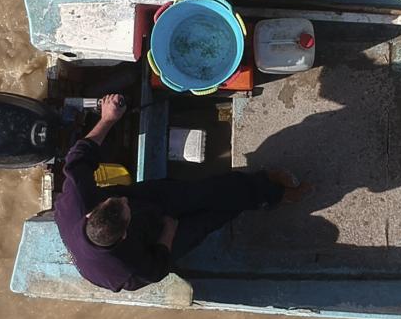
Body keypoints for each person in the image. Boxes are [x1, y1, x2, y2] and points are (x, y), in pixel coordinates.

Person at [55, 94, 307, 291]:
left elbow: (78, 158)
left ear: (90, 214)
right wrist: (169, 233)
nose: (122, 199)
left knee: (205, 192)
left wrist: (108, 118)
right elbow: (156, 270)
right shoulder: (124, 269)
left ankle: (262, 184)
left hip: (149, 200)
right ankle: (272, 196)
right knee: (211, 218)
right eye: (123, 206)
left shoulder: (75, 200)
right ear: (123, 237)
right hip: (157, 242)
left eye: (115, 200)